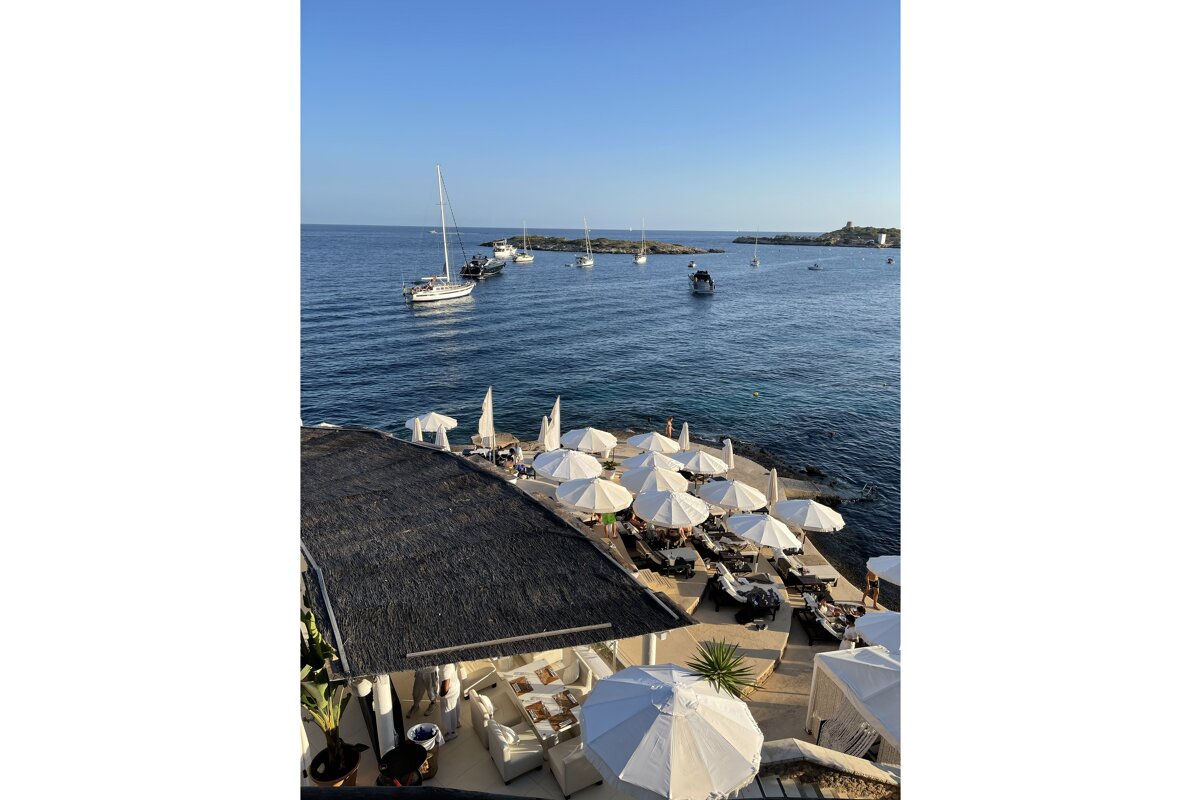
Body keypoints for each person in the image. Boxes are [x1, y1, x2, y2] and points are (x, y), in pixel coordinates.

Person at [438, 662, 462, 738]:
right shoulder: (451, 660)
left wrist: (441, 694)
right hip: (455, 686)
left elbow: (445, 686)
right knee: (455, 707)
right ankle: (457, 723)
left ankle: (451, 732)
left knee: (447, 713)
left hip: (449, 694)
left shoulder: (445, 667)